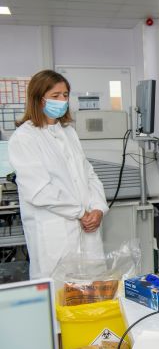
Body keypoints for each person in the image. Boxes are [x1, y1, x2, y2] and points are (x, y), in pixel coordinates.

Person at [8, 70, 108, 279]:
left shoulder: (68, 132)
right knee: (59, 296)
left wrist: (98, 209)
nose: (62, 100)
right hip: (55, 234)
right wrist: (81, 213)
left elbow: (88, 174)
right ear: (38, 99)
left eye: (65, 95)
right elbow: (39, 191)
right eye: (55, 96)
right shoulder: (24, 138)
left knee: (92, 293)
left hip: (87, 228)